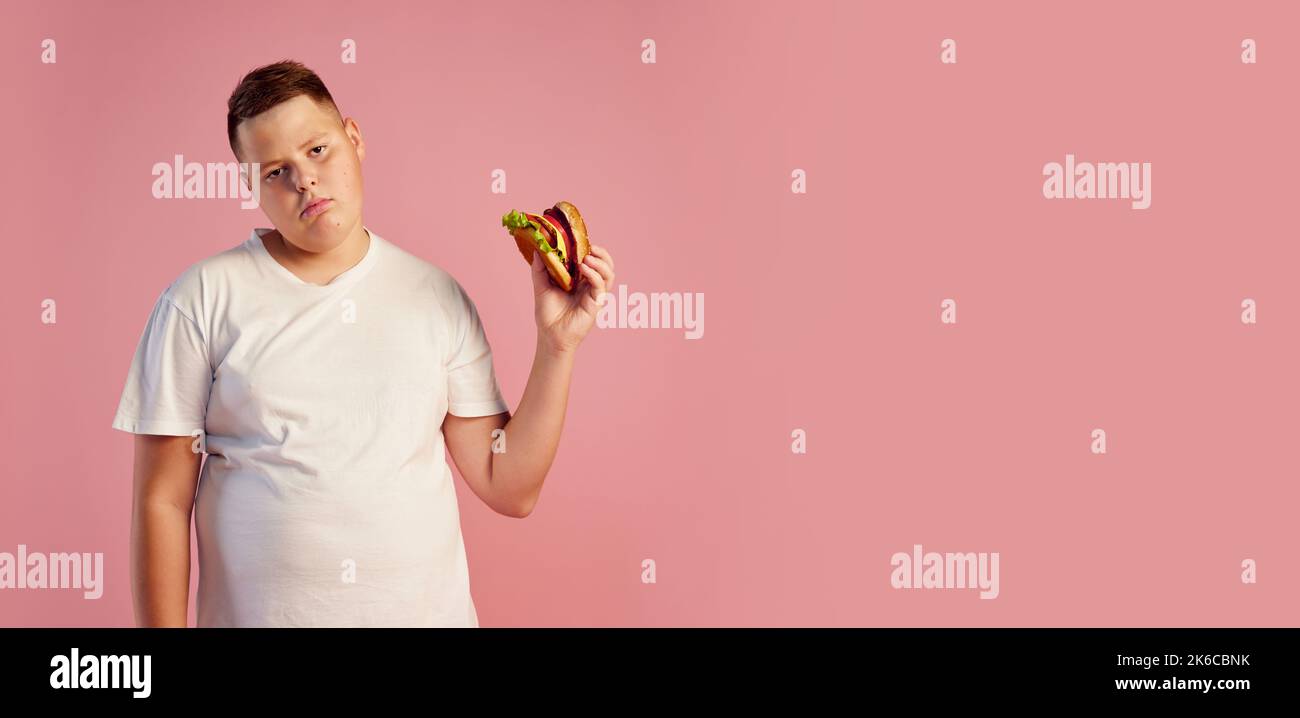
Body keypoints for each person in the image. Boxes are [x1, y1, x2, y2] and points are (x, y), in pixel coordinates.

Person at [111, 59, 616, 627]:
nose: (303, 179)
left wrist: (557, 346)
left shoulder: (436, 296)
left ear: (353, 138)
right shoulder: (200, 300)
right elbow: (162, 501)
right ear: (252, 186)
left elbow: (510, 486)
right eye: (275, 171)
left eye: (317, 150)